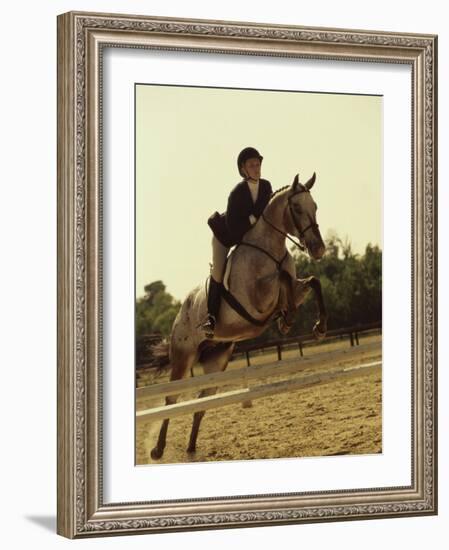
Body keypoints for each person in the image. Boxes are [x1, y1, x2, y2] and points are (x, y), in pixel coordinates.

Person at [201, 147, 273, 337]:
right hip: (225, 237)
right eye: (252, 165)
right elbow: (234, 226)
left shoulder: (266, 187)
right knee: (218, 273)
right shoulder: (237, 192)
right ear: (243, 169)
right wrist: (253, 219)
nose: (256, 168)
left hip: (247, 238)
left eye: (258, 164)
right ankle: (211, 318)